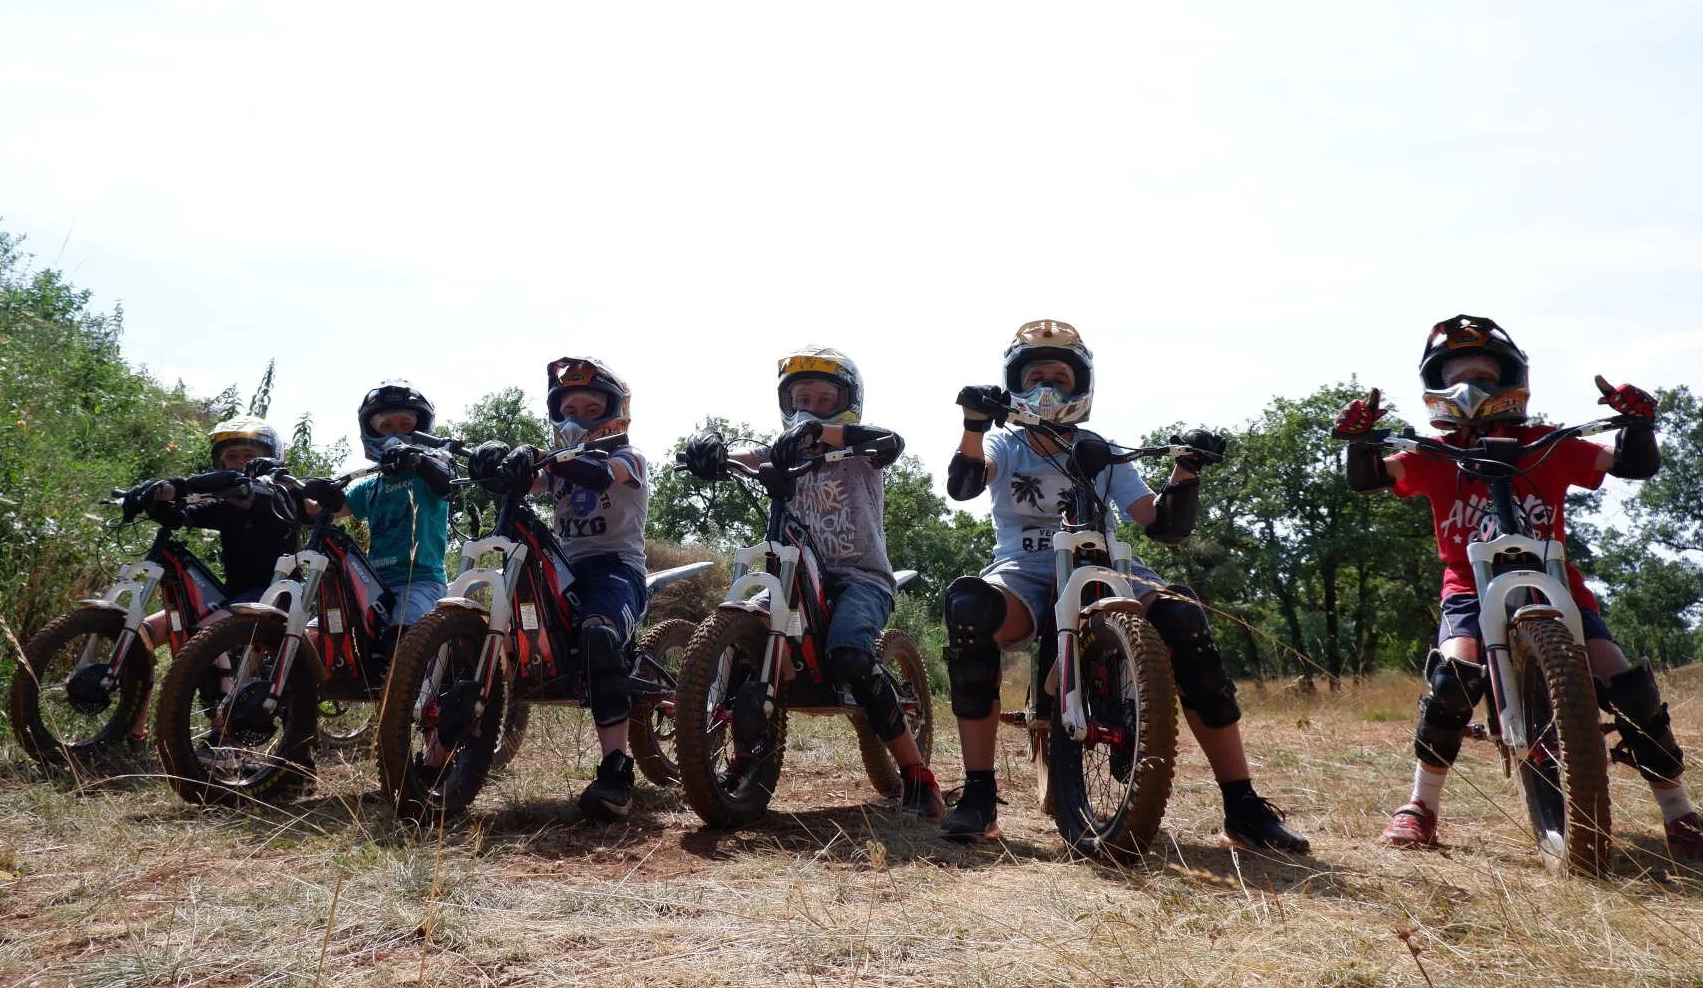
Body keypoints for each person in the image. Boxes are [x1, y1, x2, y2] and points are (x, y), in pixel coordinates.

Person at [1336, 314, 1703, 859]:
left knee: (1626, 681)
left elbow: (1630, 465)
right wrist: (1360, 440)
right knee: (1453, 677)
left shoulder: (1547, 445)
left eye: (1484, 376)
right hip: (1469, 589)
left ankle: (1679, 812)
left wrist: (1638, 423)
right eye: (1457, 378)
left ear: (1512, 381)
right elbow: (1368, 478)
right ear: (1435, 389)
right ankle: (1420, 806)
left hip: (1560, 588)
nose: (1471, 390)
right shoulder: (1433, 454)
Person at [939, 319, 1307, 851]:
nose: (1047, 388)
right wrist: (973, 424)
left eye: (1060, 377)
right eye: (1035, 376)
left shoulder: (1102, 449)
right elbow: (966, 483)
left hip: (1105, 563)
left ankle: (1243, 807)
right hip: (1027, 570)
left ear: (1082, 385)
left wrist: (1186, 471)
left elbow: (1160, 524)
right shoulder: (1005, 443)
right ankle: (978, 794)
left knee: (1185, 620)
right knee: (969, 607)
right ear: (1014, 385)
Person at [682, 346, 946, 819]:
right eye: (801, 398)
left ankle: (918, 777)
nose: (811, 407)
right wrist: (709, 448)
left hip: (859, 578)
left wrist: (821, 430)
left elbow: (892, 440)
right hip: (793, 575)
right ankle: (742, 765)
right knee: (743, 641)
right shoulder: (782, 452)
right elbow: (739, 456)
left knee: (849, 653)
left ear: (847, 401)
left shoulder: (861, 449)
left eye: (824, 399)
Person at [468, 357, 651, 820]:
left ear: (615, 412)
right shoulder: (557, 468)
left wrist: (557, 458)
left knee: (597, 634)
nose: (578, 419)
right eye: (569, 409)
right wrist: (502, 462)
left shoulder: (630, 458)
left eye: (592, 409)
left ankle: (617, 770)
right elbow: (530, 482)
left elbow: (606, 474)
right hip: (567, 567)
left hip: (616, 570)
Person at [125, 416, 308, 738]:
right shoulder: (227, 505)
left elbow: (245, 493)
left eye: (248, 457)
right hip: (233, 595)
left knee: (209, 631)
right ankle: (131, 729)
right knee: (143, 633)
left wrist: (182, 486)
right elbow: (187, 516)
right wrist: (156, 504)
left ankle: (226, 731)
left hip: (274, 595)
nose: (239, 464)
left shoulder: (281, 495)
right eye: (231, 457)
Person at [303, 381, 456, 630]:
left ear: (422, 427)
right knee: (318, 633)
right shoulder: (370, 485)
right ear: (371, 432)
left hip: (420, 582)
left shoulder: (429, 472)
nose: (395, 433)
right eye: (386, 426)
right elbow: (326, 509)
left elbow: (447, 482)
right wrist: (305, 491)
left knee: (400, 636)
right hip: (372, 584)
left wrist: (417, 459)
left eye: (405, 424)